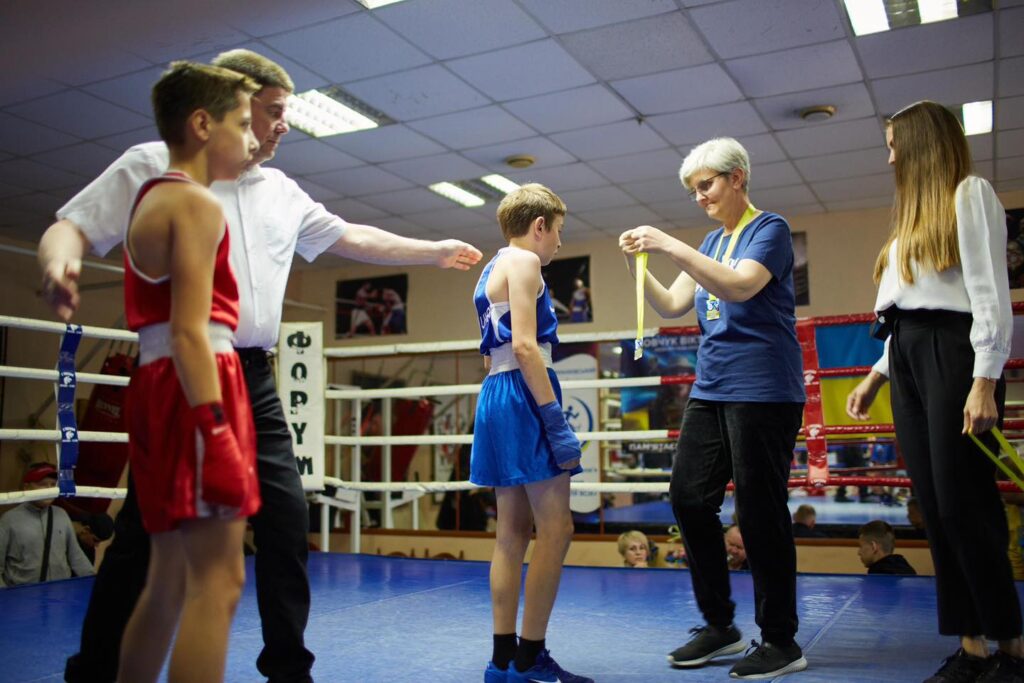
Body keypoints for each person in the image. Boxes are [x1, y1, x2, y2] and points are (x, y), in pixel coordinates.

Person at [37, 49, 482, 683]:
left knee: (284, 519)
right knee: (146, 537)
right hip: (186, 370)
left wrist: (432, 250)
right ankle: (96, 665)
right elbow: (71, 225)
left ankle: (287, 665)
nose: (281, 127)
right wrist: (61, 263)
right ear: (227, 110)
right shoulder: (155, 169)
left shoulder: (281, 189)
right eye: (270, 113)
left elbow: (348, 235)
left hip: (254, 378)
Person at [845, 100, 1023, 681]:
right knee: (937, 510)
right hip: (909, 354)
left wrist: (985, 380)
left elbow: (988, 294)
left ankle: (1011, 644)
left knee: (966, 502)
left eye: (895, 142)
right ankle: (971, 644)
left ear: (921, 143)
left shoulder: (969, 193)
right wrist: (877, 374)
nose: (889, 153)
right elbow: (906, 312)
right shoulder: (911, 219)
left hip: (954, 354)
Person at [620, 136, 807, 679]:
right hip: (712, 387)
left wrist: (670, 244)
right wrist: (639, 264)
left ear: (737, 178)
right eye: (693, 189)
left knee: (758, 510)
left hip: (763, 388)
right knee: (687, 497)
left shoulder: (766, 230)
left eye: (707, 184)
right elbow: (673, 303)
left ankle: (781, 640)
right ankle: (720, 624)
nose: (699, 196)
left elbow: (742, 286)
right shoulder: (709, 239)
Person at [113, 60, 262, 683]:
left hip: (158, 384)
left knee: (168, 579)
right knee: (219, 582)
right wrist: (217, 430)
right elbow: (190, 329)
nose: (253, 140)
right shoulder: (195, 205)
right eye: (243, 124)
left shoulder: (150, 198)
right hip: (195, 383)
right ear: (203, 125)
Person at [471, 183, 591, 683]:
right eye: (558, 231)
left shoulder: (489, 269)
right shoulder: (524, 263)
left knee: (510, 534)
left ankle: (502, 660)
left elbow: (489, 352)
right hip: (525, 389)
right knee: (557, 529)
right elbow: (525, 347)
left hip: (495, 393)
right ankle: (531, 656)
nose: (559, 244)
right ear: (539, 225)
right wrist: (553, 419)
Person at [0, 463, 95, 587]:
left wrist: (95, 585)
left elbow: (76, 556)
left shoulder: (61, 515)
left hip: (59, 593)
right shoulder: (9, 520)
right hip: (22, 597)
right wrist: (7, 598)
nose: (49, 489)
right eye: (42, 484)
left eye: (52, 485)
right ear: (27, 487)